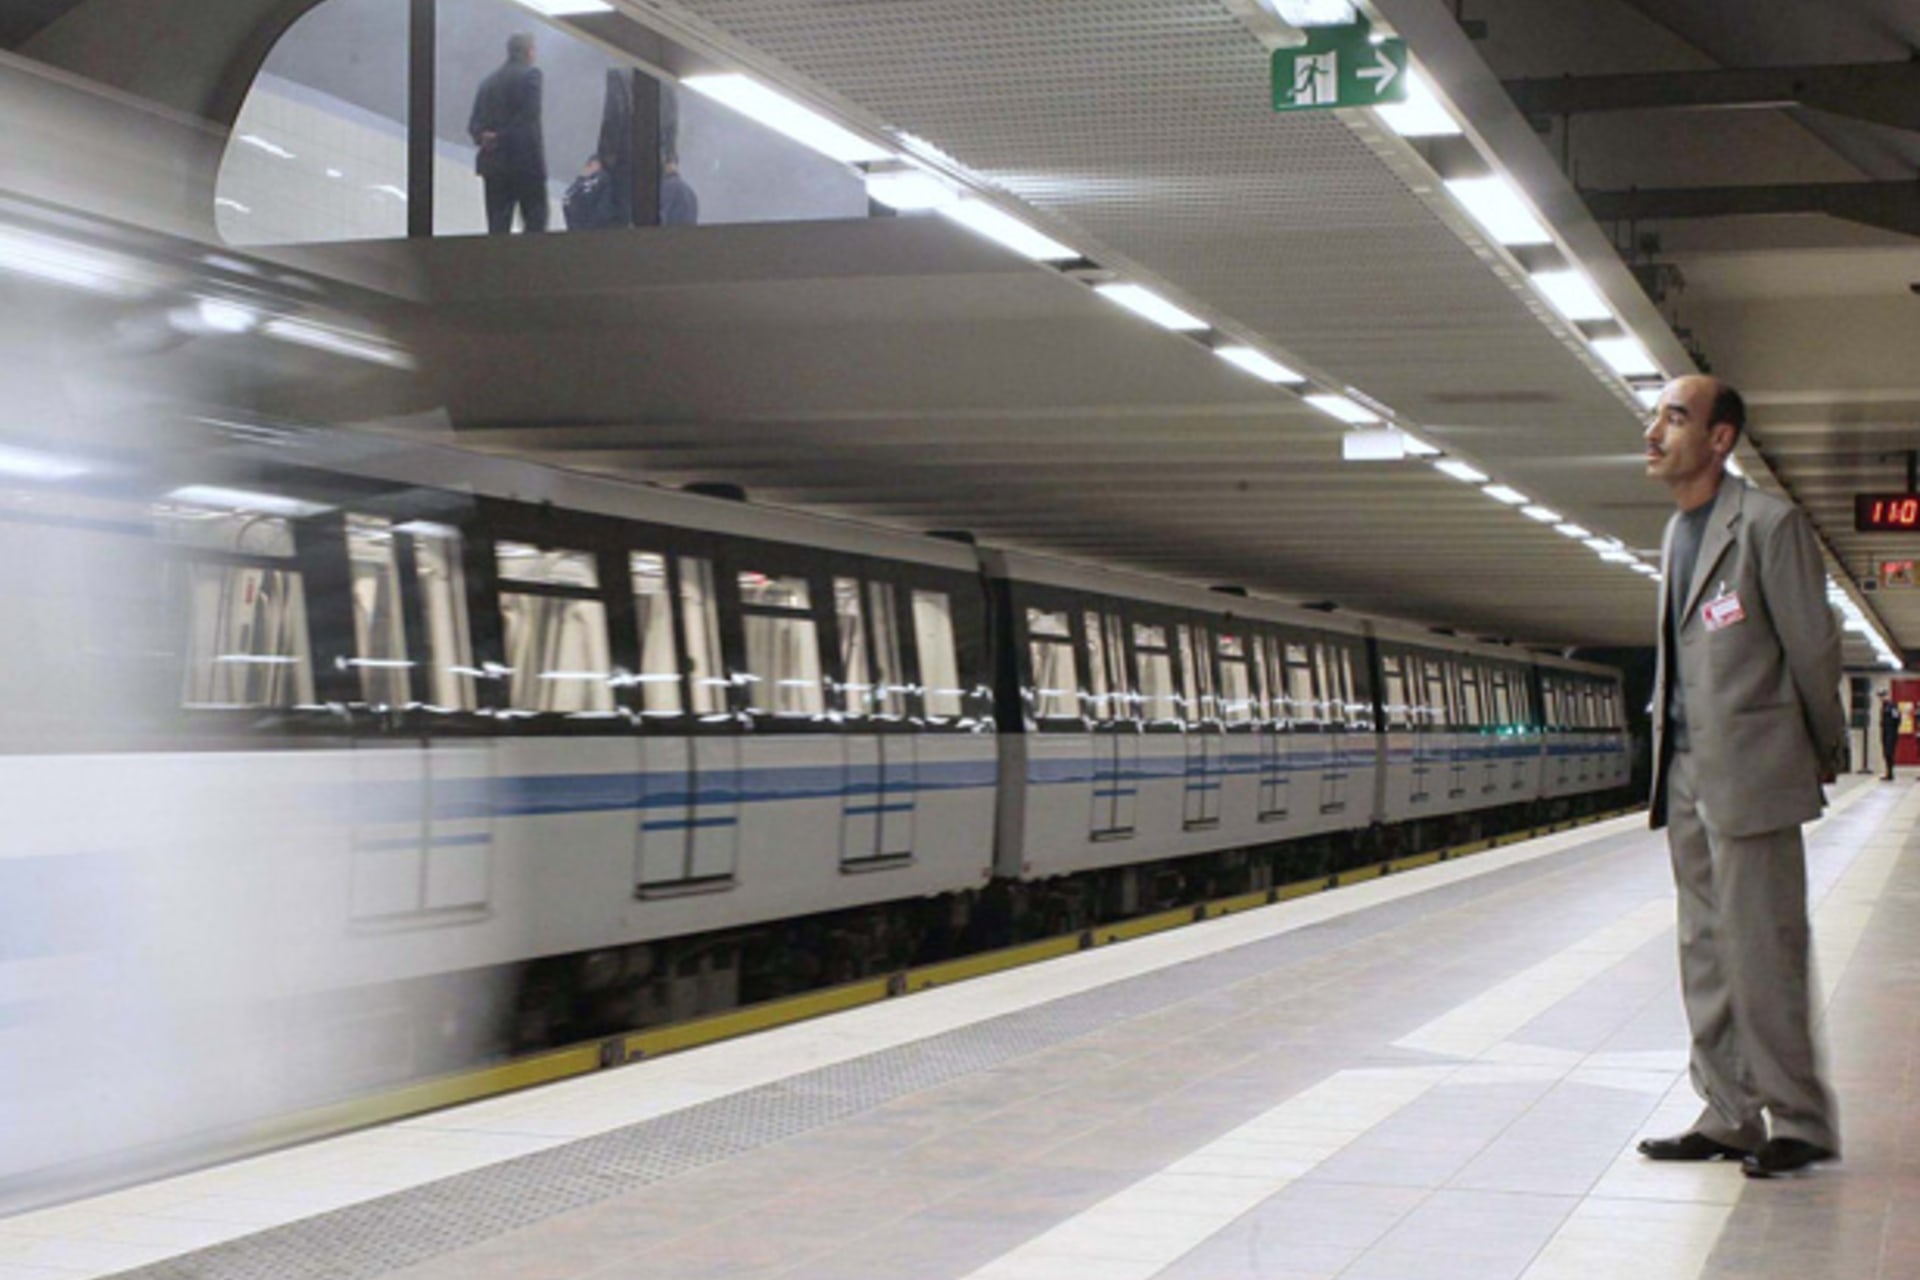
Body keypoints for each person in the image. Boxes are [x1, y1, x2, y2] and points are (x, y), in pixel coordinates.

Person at [1635, 375, 1846, 1178]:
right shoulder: (1676, 532)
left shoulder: (1768, 524)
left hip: (1754, 769)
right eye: (1655, 417)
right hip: (1686, 768)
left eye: (1673, 417)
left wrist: (1822, 745)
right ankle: (1729, 1112)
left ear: (1720, 439)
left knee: (1763, 946)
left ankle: (1799, 1119)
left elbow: (1811, 648)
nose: (1654, 432)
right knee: (1705, 948)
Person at [468, 33, 547, 235]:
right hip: (525, 164)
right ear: (529, 52)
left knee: (497, 229)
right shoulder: (531, 76)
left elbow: (474, 124)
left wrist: (483, 136)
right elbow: (529, 117)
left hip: (494, 166)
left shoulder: (488, 83)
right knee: (535, 226)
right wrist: (502, 137)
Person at [1881, 690, 1901, 780]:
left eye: (1883, 696)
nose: (1882, 698)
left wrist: (1893, 730)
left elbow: (1897, 718)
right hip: (1885, 732)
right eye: (1881, 697)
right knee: (1886, 753)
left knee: (1889, 752)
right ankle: (1888, 772)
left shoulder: (1892, 706)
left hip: (1891, 733)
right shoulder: (1884, 706)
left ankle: (1890, 773)